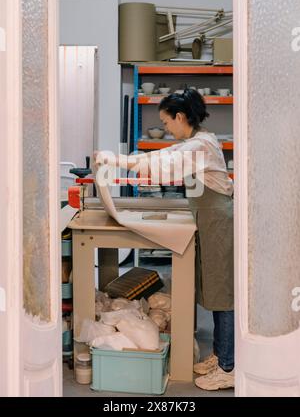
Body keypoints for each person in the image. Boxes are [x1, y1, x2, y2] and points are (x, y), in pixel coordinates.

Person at [94, 89, 234, 390]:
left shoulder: (200, 146)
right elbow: (164, 156)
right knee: (216, 289)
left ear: (180, 117)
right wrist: (125, 160)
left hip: (219, 223)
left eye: (166, 122)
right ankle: (222, 354)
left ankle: (229, 366)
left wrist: (116, 159)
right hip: (211, 221)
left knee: (224, 294)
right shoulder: (197, 141)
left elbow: (162, 166)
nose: (166, 128)